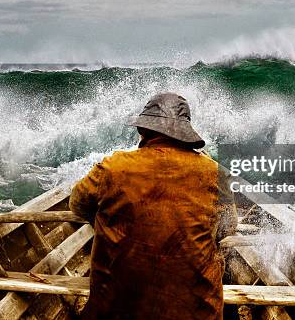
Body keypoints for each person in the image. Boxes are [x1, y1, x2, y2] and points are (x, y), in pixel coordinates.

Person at [69, 92, 238, 320]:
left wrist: (112, 221)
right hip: (197, 313)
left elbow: (77, 205)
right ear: (185, 134)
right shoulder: (215, 172)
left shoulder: (112, 168)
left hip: (114, 311)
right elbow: (228, 228)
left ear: (143, 130)